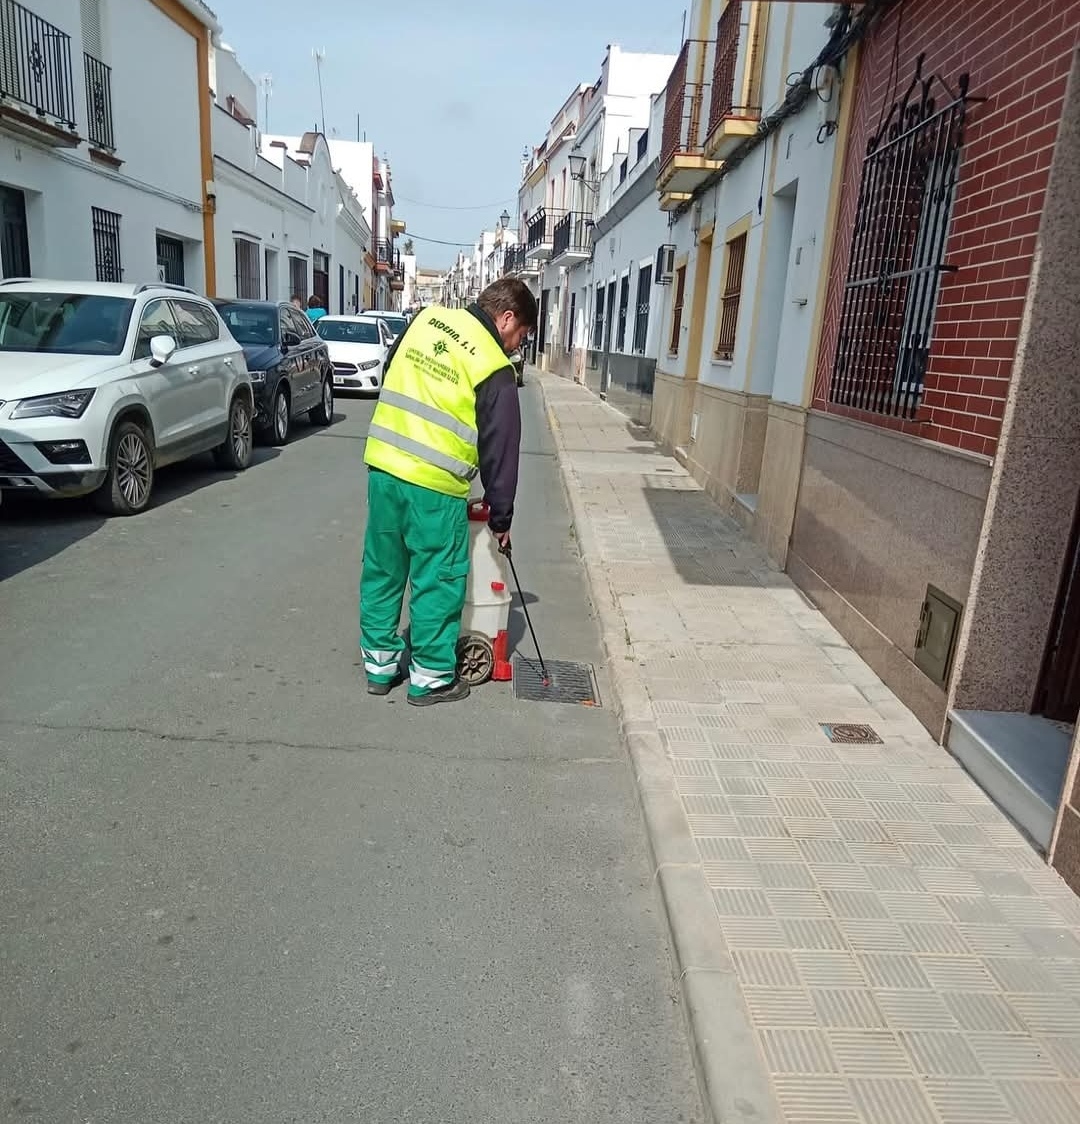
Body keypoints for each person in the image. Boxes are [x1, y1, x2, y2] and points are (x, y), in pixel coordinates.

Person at [359, 277, 537, 706]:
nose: (518, 345)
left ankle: (379, 666)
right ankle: (432, 675)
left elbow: (393, 374)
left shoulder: (425, 320)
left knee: (383, 569)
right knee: (437, 578)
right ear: (506, 317)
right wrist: (501, 518)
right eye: (521, 334)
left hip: (383, 468)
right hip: (435, 486)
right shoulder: (493, 365)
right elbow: (501, 449)